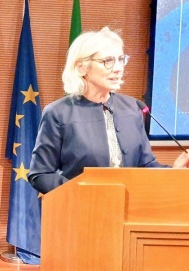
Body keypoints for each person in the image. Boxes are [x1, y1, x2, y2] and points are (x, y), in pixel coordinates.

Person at [28, 27, 189, 194]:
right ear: (81, 67)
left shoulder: (132, 108)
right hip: (80, 211)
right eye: (108, 61)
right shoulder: (58, 113)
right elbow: (41, 174)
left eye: (121, 59)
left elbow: (145, 166)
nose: (118, 68)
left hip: (130, 211)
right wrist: (80, 192)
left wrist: (174, 172)